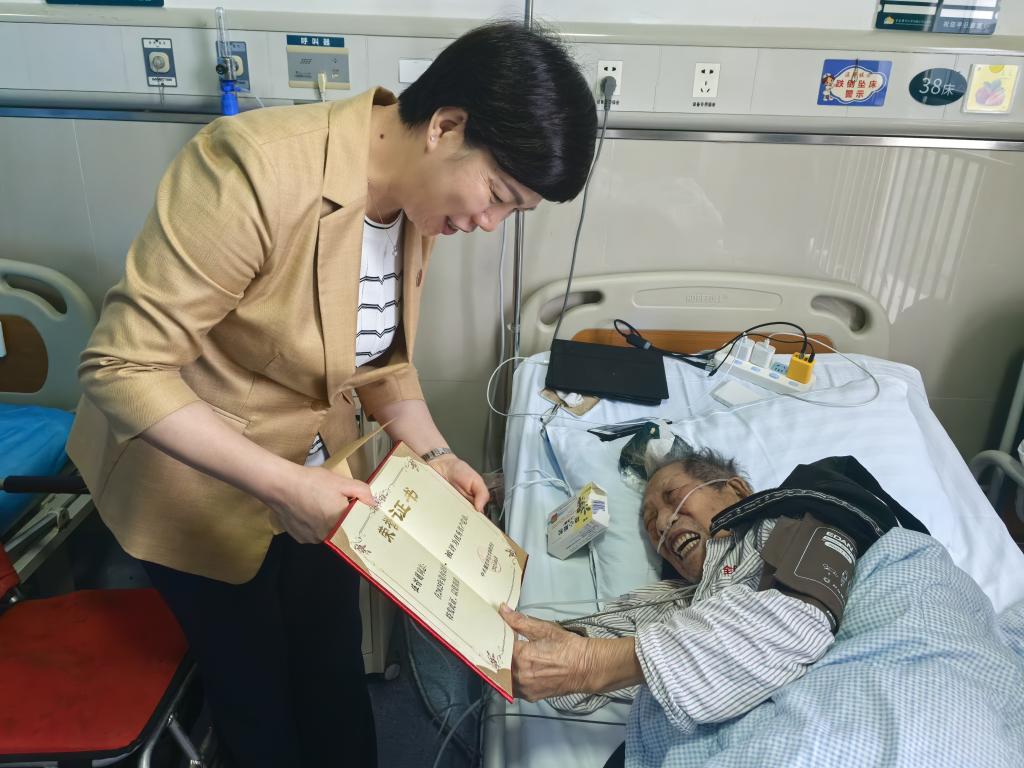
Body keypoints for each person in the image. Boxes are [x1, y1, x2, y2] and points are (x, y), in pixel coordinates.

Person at [66, 21, 597, 768]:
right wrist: (283, 484)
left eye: (515, 212)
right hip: (194, 483)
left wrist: (434, 454)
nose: (488, 224)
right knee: (255, 694)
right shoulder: (252, 169)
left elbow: (378, 360)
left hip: (320, 479)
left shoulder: (415, 204)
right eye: (498, 196)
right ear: (445, 127)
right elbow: (122, 366)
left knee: (332, 669)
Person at [501, 445, 928, 767]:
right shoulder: (680, 603)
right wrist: (545, 646)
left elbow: (797, 622)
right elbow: (589, 664)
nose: (663, 523)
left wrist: (590, 663)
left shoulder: (793, 517)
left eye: (674, 497)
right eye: (650, 524)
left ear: (736, 490)